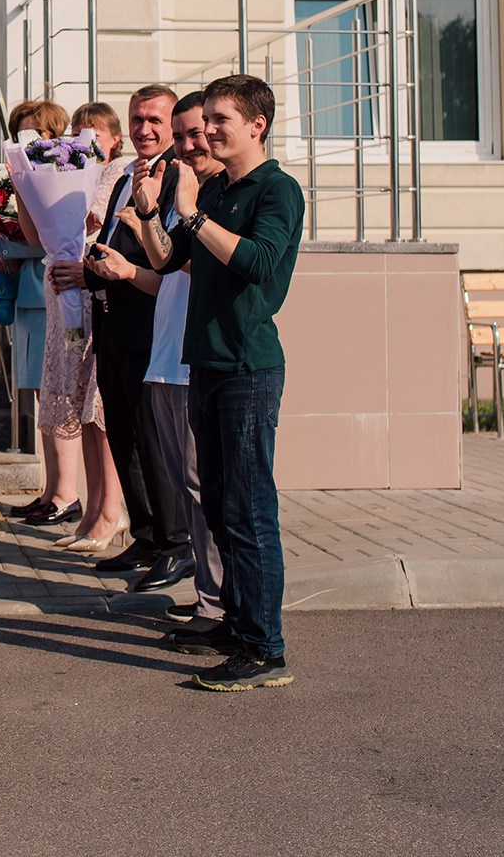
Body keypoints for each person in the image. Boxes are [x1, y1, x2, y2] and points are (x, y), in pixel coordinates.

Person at [131, 74, 304, 691]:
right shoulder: (219, 189)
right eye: (207, 121)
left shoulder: (276, 191)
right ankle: (236, 624)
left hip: (248, 369)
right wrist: (153, 213)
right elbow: (164, 258)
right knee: (224, 506)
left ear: (257, 124)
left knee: (251, 509)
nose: (207, 132)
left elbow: (257, 262)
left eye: (220, 120)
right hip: (203, 363)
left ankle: (266, 649)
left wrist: (193, 214)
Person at [111, 91, 227, 648]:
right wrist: (131, 251)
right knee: (191, 490)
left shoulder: (215, 196)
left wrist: (164, 210)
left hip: (193, 361)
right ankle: (208, 598)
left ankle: (218, 604)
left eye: (194, 133)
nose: (186, 145)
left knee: (206, 492)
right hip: (166, 355)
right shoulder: (182, 192)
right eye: (180, 136)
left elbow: (186, 261)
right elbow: (166, 270)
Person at [85, 86, 194, 593]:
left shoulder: (179, 174)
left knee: (153, 438)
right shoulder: (130, 172)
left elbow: (165, 254)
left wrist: (125, 263)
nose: (144, 128)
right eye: (136, 119)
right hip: (114, 319)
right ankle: (148, 534)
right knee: (125, 434)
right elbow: (117, 236)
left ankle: (176, 544)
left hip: (152, 319)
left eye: (154, 119)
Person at [38, 100, 130, 556]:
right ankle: (94, 510)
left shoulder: (117, 174)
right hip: (69, 292)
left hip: (95, 291)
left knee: (98, 408)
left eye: (94, 131)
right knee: (82, 407)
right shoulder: (77, 170)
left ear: (114, 138)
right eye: (78, 130)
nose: (84, 138)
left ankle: (111, 510)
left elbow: (94, 223)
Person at [0, 99, 77, 528]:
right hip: (29, 296)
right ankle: (50, 490)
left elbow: (51, 240)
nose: (29, 140)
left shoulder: (65, 175)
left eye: (37, 133)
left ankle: (67, 494)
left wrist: (0, 243)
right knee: (41, 400)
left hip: (52, 298)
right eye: (21, 133)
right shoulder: (25, 177)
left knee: (57, 398)